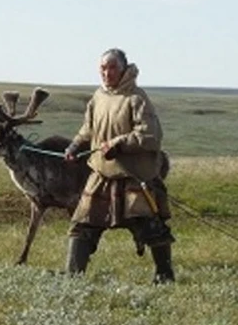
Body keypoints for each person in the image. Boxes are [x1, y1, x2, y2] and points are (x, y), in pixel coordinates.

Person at [64, 48, 175, 284]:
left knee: (151, 227)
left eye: (112, 67)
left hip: (134, 175)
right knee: (82, 224)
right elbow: (89, 128)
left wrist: (119, 143)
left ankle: (164, 276)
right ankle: (72, 278)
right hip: (101, 173)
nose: (107, 73)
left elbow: (151, 136)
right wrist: (75, 145)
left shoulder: (137, 98)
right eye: (103, 68)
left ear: (123, 69)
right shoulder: (98, 97)